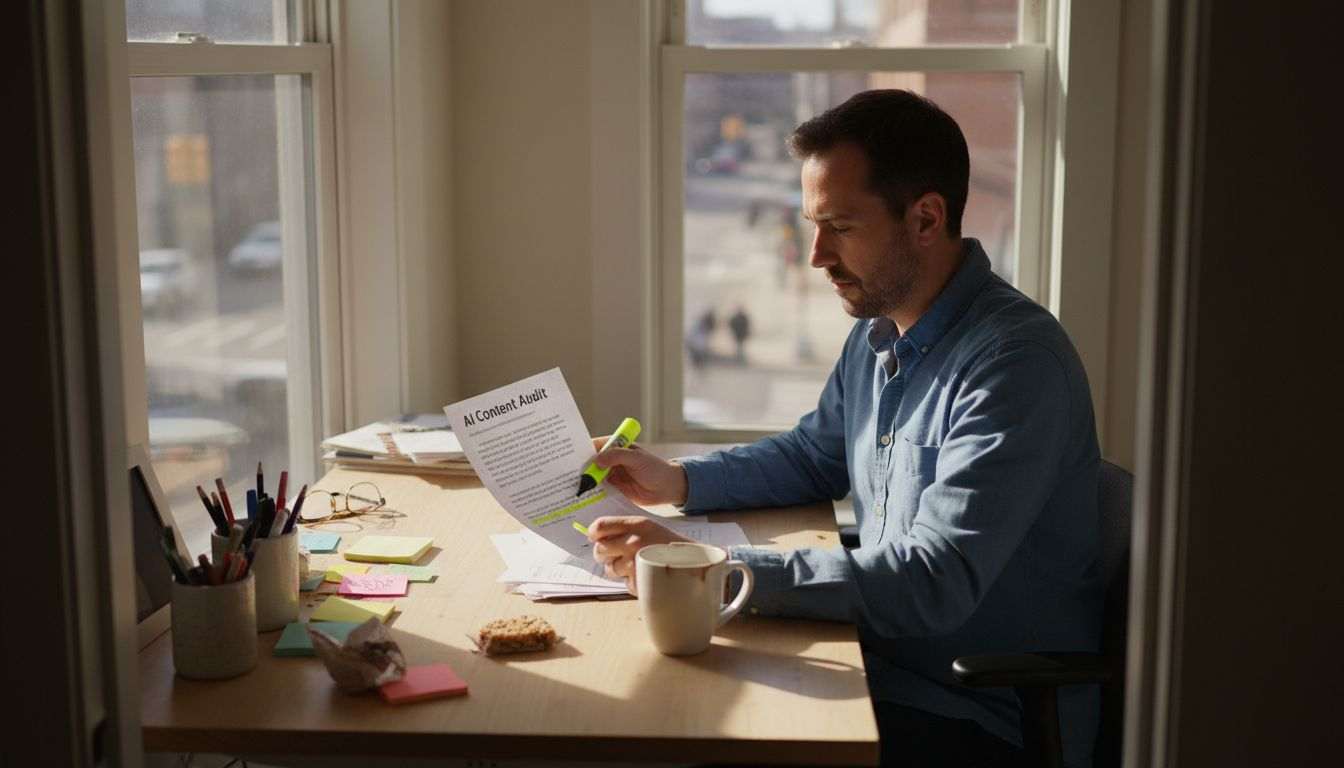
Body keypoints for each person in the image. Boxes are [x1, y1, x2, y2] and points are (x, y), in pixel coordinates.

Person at [586, 90, 1101, 768]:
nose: (816, 256)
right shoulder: (880, 332)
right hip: (875, 667)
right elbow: (812, 457)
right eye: (812, 225)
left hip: (977, 715)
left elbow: (933, 579)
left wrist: (717, 571)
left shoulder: (1014, 366)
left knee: (695, 731)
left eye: (840, 226)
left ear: (925, 218)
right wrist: (679, 480)